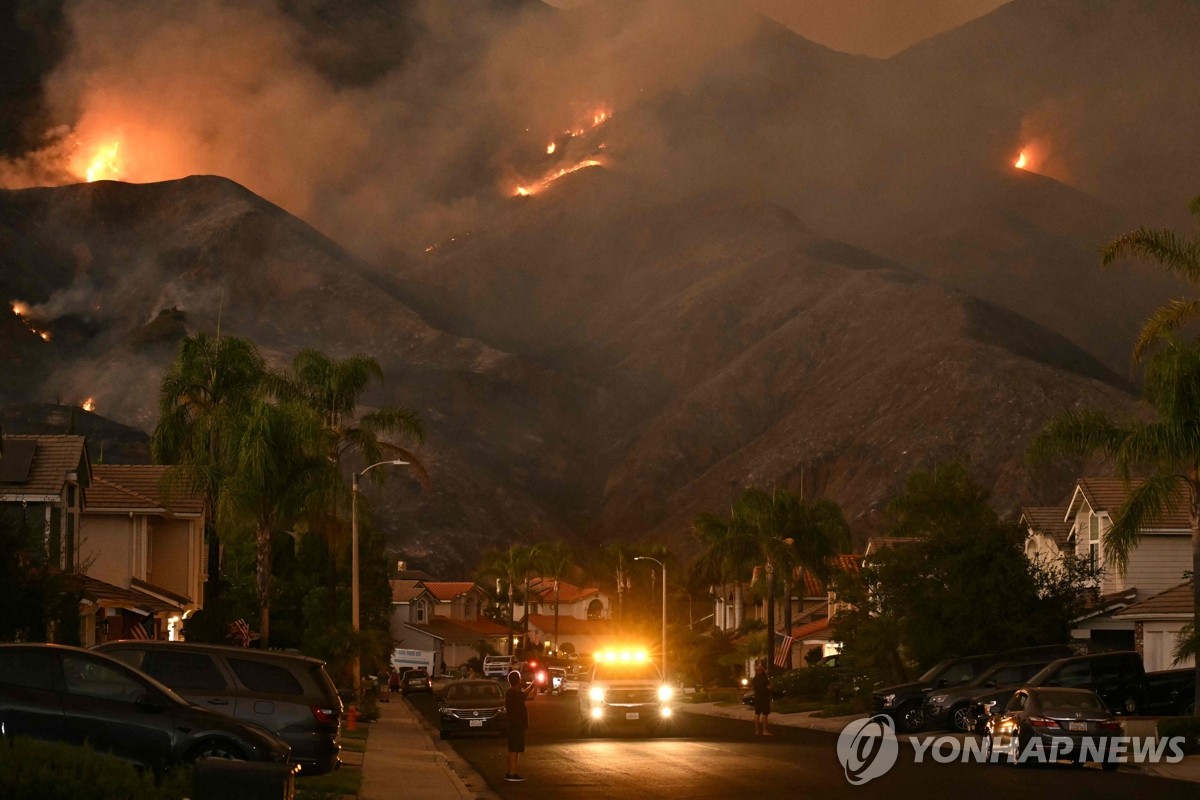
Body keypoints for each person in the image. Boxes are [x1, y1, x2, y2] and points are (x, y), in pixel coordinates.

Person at [504, 670, 536, 781]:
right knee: (515, 749)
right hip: (517, 725)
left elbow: (524, 694)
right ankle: (512, 773)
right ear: (518, 680)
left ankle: (509, 772)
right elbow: (531, 697)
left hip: (512, 724)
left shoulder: (510, 692)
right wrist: (535, 687)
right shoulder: (515, 694)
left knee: (512, 748)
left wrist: (532, 686)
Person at [752, 660, 772, 736]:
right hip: (764, 698)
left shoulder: (754, 679)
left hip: (757, 697)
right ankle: (765, 731)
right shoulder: (764, 678)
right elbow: (769, 687)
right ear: (763, 670)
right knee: (764, 714)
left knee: (757, 714)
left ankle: (757, 731)